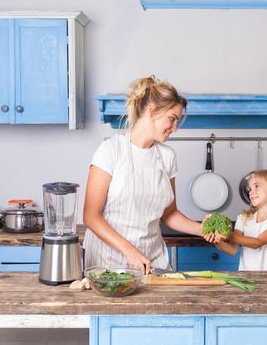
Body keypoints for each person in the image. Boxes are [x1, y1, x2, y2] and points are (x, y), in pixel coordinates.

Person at [83, 75, 216, 273]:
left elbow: (169, 214)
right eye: (172, 119)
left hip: (152, 261)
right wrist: (129, 251)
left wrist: (201, 229)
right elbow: (91, 216)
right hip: (107, 262)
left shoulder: (167, 156)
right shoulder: (110, 151)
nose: (175, 129)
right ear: (153, 109)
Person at [212, 170, 267, 271]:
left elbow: (257, 243)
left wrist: (227, 234)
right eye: (250, 188)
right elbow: (232, 250)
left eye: (257, 186)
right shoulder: (244, 218)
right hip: (247, 279)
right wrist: (216, 239)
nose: (250, 192)